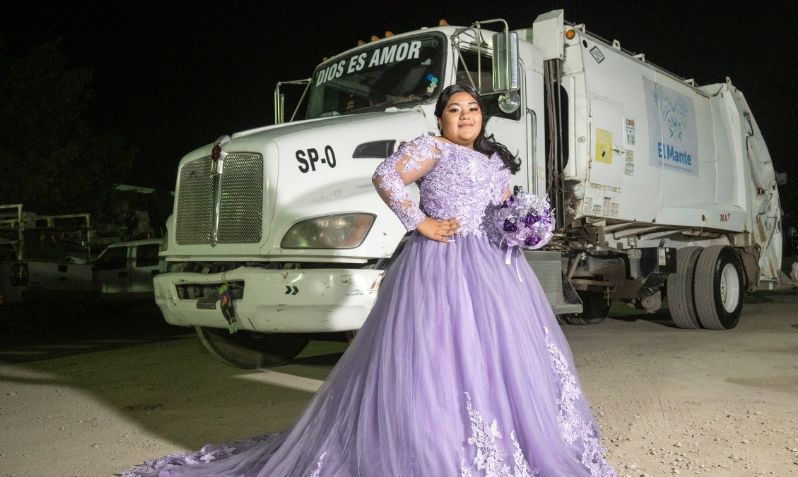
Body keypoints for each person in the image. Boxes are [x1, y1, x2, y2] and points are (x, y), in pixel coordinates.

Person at [123, 84, 617, 476]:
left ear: (482, 117)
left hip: (491, 267)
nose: (465, 116)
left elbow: (502, 207)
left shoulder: (492, 162)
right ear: (440, 118)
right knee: (439, 354)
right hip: (440, 262)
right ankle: (434, 446)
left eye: (472, 109)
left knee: (499, 355)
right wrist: (419, 222)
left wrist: (524, 227)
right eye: (454, 110)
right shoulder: (433, 149)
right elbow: (386, 176)